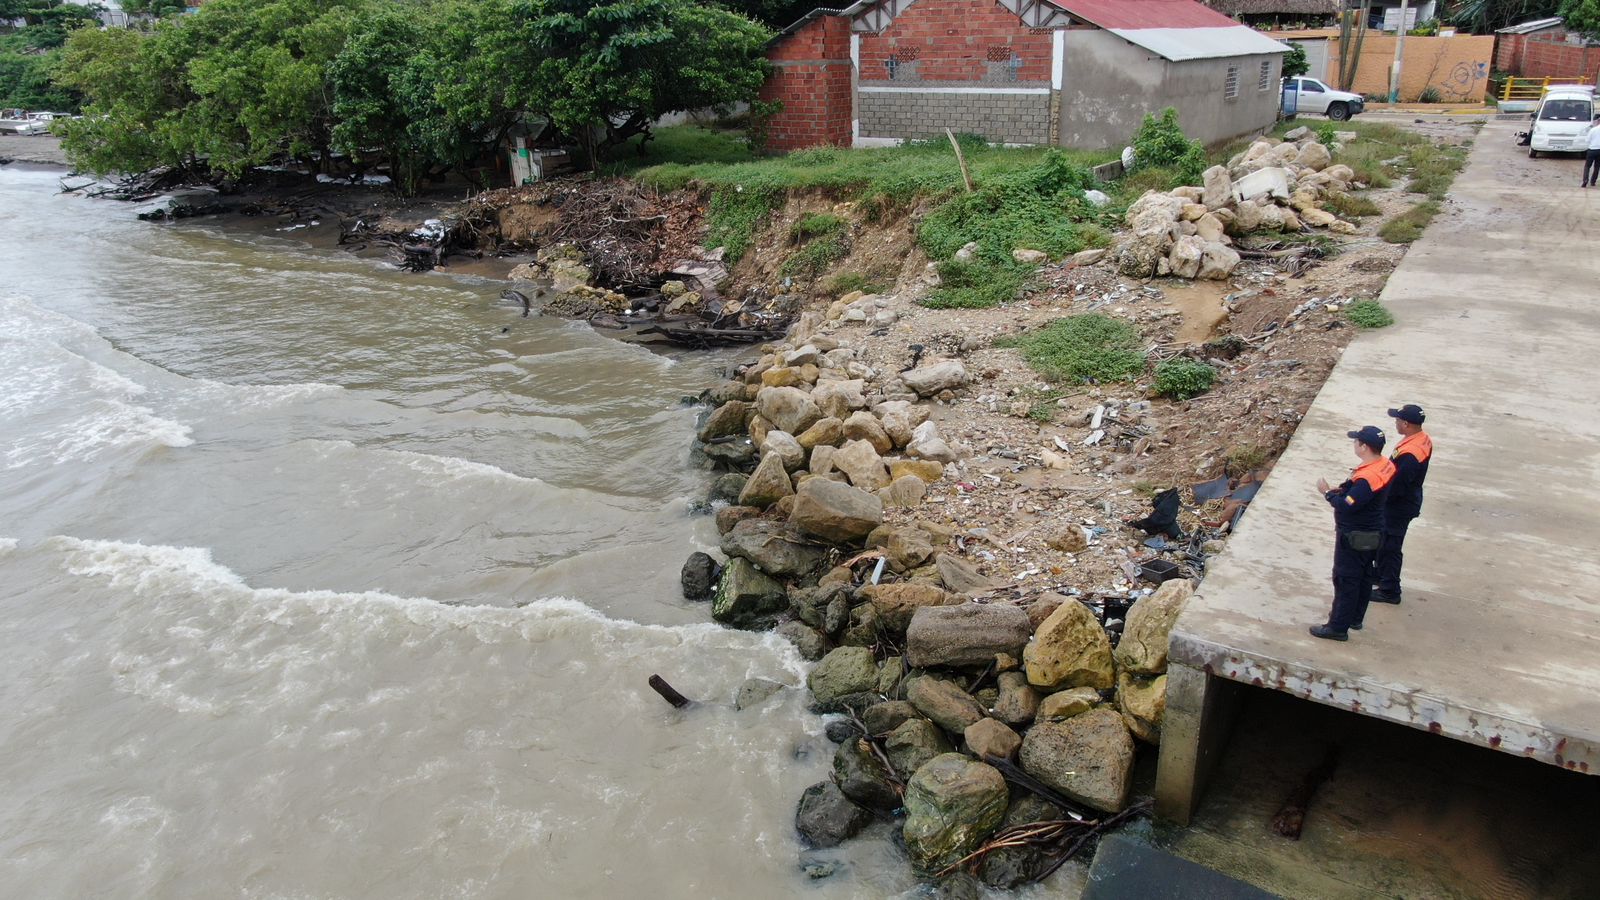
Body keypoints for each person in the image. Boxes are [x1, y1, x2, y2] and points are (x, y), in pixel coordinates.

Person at [1311, 426, 1396, 641]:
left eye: (1356, 441)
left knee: (1346, 579)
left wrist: (1328, 493)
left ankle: (1337, 627)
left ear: (1364, 446)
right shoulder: (1385, 464)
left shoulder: (1367, 477)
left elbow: (1347, 506)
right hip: (1374, 530)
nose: (1354, 444)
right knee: (1365, 576)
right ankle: (1355, 618)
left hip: (1355, 535)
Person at [1373, 405, 1431, 603]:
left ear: (1406, 424)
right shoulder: (1421, 439)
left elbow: (1398, 485)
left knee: (1390, 545)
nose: (1395, 422)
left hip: (1399, 505)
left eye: (1398, 420)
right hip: (1407, 500)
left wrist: (1379, 499)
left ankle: (1389, 589)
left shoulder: (1410, 454)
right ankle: (1381, 574)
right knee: (1384, 541)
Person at [1585, 115, 1600, 188]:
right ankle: (1593, 181)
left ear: (1598, 121)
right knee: (1597, 167)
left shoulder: (1593, 130)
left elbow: (1587, 140)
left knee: (1587, 166)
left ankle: (1585, 180)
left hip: (1592, 149)